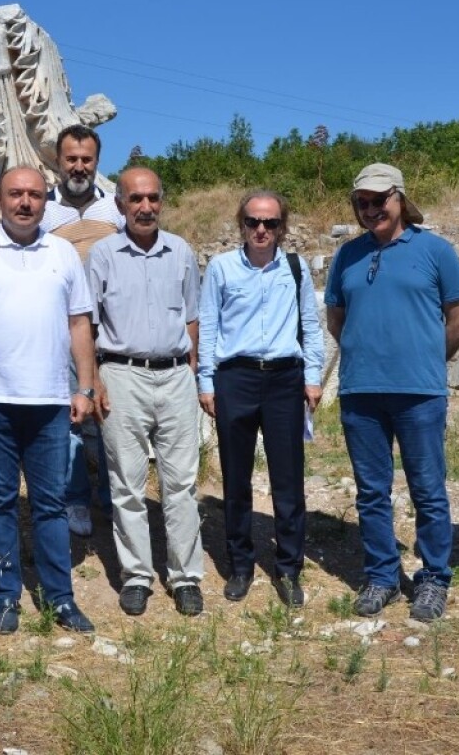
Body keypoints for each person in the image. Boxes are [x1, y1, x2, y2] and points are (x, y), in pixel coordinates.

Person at [0, 166, 97, 635]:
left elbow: (80, 323)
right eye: (16, 194)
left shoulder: (62, 253)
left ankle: (60, 598)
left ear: (44, 201)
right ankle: (6, 594)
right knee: (0, 502)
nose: (25, 203)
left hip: (50, 400)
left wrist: (86, 387)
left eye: (34, 194)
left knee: (51, 503)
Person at [324, 163, 459, 622]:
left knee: (427, 489)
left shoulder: (435, 250)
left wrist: (426, 358)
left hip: (419, 392)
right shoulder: (347, 256)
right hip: (361, 391)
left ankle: (433, 580)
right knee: (371, 491)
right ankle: (382, 576)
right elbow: (336, 319)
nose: (371, 210)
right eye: (361, 202)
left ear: (400, 199)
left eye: (379, 200)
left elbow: (458, 318)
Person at [88, 167, 205, 616]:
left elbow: (191, 317)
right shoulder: (102, 255)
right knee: (127, 484)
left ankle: (185, 576)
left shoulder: (181, 252)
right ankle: (137, 575)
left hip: (175, 376)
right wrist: (94, 378)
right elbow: (88, 321)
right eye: (135, 199)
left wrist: (191, 368)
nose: (145, 207)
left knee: (181, 483)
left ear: (162, 202)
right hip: (121, 376)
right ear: (120, 204)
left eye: (153, 198)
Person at [199, 190, 324, 608]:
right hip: (236, 378)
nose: (261, 230)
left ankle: (288, 568)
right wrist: (206, 381)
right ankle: (240, 565)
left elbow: (309, 321)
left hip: (284, 380)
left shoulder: (295, 267)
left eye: (270, 223)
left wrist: (312, 377)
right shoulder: (221, 268)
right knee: (235, 479)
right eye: (253, 221)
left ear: (281, 227)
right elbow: (210, 325)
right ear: (242, 224)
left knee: (287, 480)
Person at [41, 124, 123, 537]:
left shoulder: (114, 210)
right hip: (60, 332)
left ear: (96, 162)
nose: (78, 166)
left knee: (109, 416)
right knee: (70, 419)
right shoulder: (43, 209)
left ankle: (112, 502)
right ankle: (76, 501)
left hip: (108, 332)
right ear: (58, 160)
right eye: (70, 158)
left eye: (86, 159)